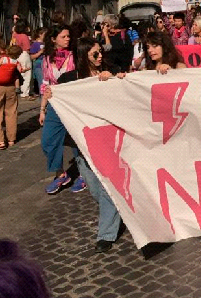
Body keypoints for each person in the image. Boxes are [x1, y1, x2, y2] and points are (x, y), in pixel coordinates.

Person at [43, 37, 125, 252]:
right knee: (96, 189)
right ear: (83, 55)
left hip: (107, 140)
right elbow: (56, 98)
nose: (100, 57)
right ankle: (118, 210)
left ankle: (105, 235)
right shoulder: (70, 79)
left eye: (101, 52)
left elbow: (125, 90)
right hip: (82, 143)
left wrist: (115, 78)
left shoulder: (111, 70)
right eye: (95, 54)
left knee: (108, 188)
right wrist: (50, 96)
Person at [39, 25, 82, 194]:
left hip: (74, 104)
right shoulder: (47, 59)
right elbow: (46, 84)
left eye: (68, 36)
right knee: (48, 140)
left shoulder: (75, 56)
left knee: (77, 140)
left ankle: (84, 174)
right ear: (53, 39)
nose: (67, 39)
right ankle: (61, 174)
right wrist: (42, 109)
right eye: (63, 36)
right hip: (55, 103)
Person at [0, 39, 20, 150]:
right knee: (11, 112)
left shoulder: (2, 59)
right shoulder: (13, 60)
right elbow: (18, 73)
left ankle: (1, 141)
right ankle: (11, 139)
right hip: (11, 87)